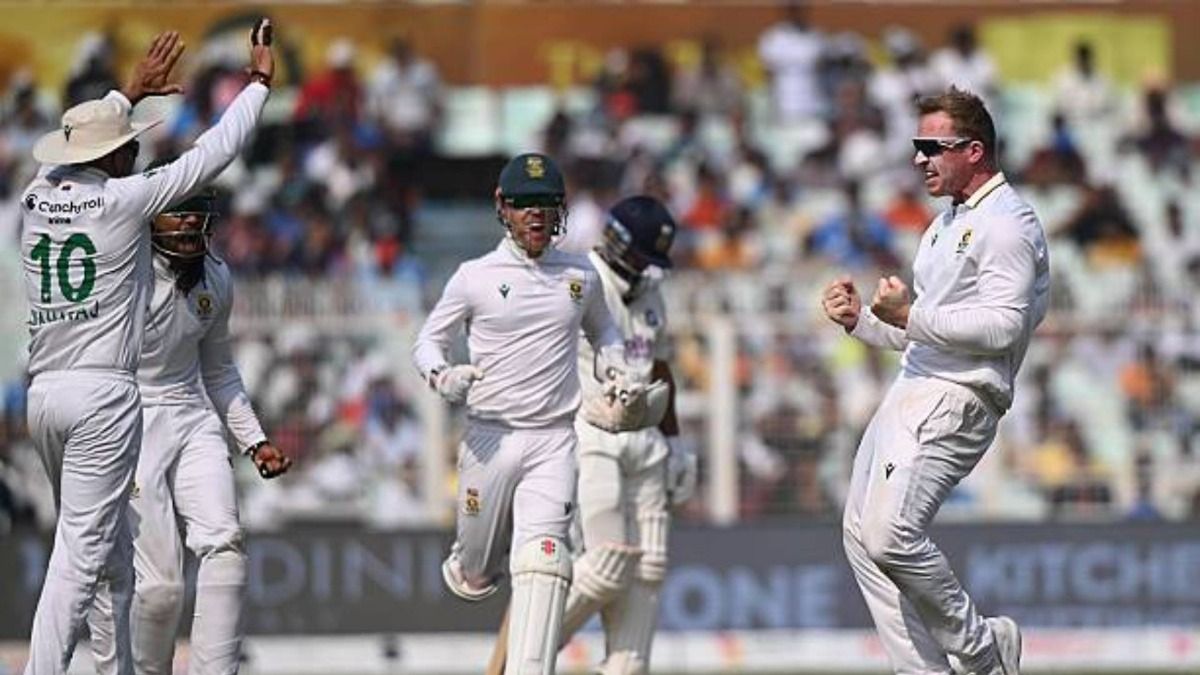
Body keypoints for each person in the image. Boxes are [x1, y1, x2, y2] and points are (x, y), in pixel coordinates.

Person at [21, 21, 274, 675]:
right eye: (126, 147)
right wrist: (259, 87)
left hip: (43, 392)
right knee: (83, 558)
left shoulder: (36, 197)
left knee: (104, 560)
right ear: (111, 159)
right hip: (104, 392)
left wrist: (125, 97)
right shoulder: (125, 203)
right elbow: (211, 154)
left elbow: (71, 155)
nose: (133, 153)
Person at [821, 87, 1049, 675]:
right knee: (861, 539)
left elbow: (1003, 326)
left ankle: (981, 650)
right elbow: (925, 332)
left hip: (960, 395)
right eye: (917, 147)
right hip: (914, 386)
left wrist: (911, 316)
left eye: (933, 147)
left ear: (974, 151)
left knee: (890, 534)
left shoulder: (1007, 222)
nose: (920, 159)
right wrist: (864, 323)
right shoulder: (947, 222)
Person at [412, 153, 651, 675]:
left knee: (546, 561)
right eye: (525, 205)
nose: (537, 216)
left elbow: (605, 332)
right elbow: (427, 343)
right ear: (503, 207)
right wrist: (445, 377)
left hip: (552, 440)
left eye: (546, 204)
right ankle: (470, 561)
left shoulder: (579, 273)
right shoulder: (475, 276)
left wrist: (616, 370)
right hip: (488, 439)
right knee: (475, 575)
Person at [88, 175, 291, 675]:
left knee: (225, 543)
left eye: (196, 213)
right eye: (175, 212)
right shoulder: (120, 270)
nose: (187, 224)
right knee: (160, 589)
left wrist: (254, 439)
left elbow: (219, 370)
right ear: (149, 216)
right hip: (130, 418)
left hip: (192, 415)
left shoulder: (217, 277)